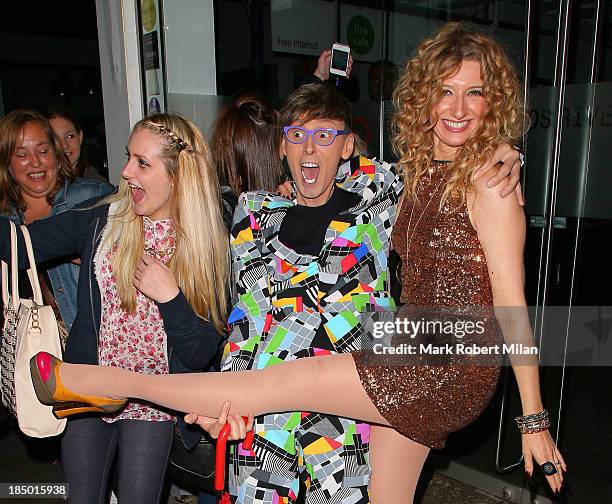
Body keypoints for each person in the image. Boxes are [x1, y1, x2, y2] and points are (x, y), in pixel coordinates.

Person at [2, 113, 229, 504]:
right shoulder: (101, 219)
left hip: (152, 402)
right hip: (89, 386)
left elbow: (200, 351)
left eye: (142, 163)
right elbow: (19, 242)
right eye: (128, 157)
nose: (125, 171)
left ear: (177, 176)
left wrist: (171, 298)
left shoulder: (206, 245)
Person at [0, 109, 112, 335]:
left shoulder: (91, 197)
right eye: (21, 155)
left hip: (94, 343)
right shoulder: (5, 219)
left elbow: (129, 265)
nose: (35, 162)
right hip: (28, 348)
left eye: (43, 150)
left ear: (56, 152)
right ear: (6, 162)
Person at [47, 104, 107, 182]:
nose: (64, 145)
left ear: (80, 137)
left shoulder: (98, 187)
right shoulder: (38, 186)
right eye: (55, 139)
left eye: (70, 136)